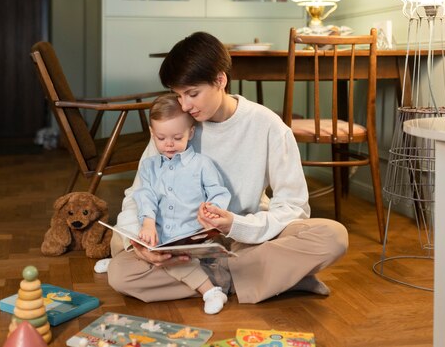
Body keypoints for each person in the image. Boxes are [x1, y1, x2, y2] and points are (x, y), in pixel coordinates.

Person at [107, 31, 348, 305]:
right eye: (178, 95)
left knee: (332, 236)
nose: (184, 105)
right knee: (121, 271)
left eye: (192, 94)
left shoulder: (268, 126)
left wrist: (236, 224)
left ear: (220, 80)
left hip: (250, 238)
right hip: (186, 244)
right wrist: (141, 247)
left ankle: (214, 279)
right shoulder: (178, 126)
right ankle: (261, 278)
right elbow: (138, 193)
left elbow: (294, 207)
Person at [134, 93, 231, 314]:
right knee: (121, 241)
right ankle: (117, 260)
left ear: (191, 133)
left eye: (177, 138)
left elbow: (218, 192)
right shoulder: (149, 166)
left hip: (190, 235)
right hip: (159, 236)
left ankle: (210, 291)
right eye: (161, 138)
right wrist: (147, 222)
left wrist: (211, 211)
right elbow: (145, 195)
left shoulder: (202, 164)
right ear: (152, 134)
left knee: (175, 260)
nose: (169, 144)